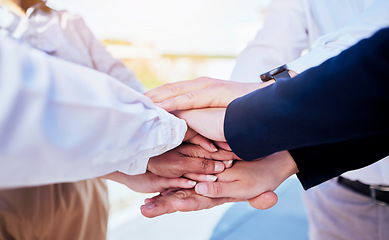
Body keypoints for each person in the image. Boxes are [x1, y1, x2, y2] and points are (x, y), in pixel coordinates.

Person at [145, 1, 389, 238]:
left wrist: (247, 114)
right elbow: (272, 42)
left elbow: (378, 53)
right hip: (336, 193)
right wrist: (235, 140)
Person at [0, 1, 235, 239]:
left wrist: (175, 126)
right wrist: (176, 131)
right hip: (11, 196)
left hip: (85, 188)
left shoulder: (69, 23)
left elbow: (131, 91)